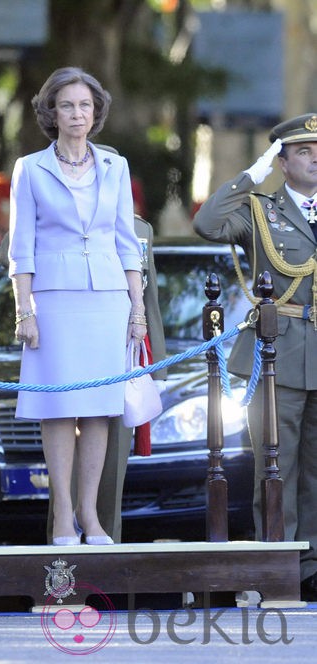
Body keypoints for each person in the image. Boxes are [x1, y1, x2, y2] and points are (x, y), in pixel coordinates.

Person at [7, 67, 146, 547]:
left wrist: (137, 309)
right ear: (51, 112)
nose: (77, 114)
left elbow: (129, 243)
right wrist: (24, 311)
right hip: (54, 299)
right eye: (66, 105)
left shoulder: (116, 166)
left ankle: (91, 514)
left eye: (85, 105)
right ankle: (63, 515)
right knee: (59, 409)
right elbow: (20, 249)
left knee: (100, 409)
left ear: (96, 111)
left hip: (107, 297)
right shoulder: (30, 168)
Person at [193, 113, 317, 600]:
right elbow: (207, 223)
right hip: (278, 351)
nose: (315, 159)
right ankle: (275, 562)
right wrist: (250, 175)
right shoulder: (261, 210)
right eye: (303, 151)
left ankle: (312, 566)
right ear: (282, 162)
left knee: (316, 469)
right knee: (277, 465)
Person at [0, 210, 166, 544]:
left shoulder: (138, 227)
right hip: (65, 326)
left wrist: (156, 366)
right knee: (62, 449)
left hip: (118, 345)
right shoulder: (48, 213)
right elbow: (9, 252)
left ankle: (104, 547)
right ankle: (63, 550)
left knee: (112, 465)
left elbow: (148, 299)